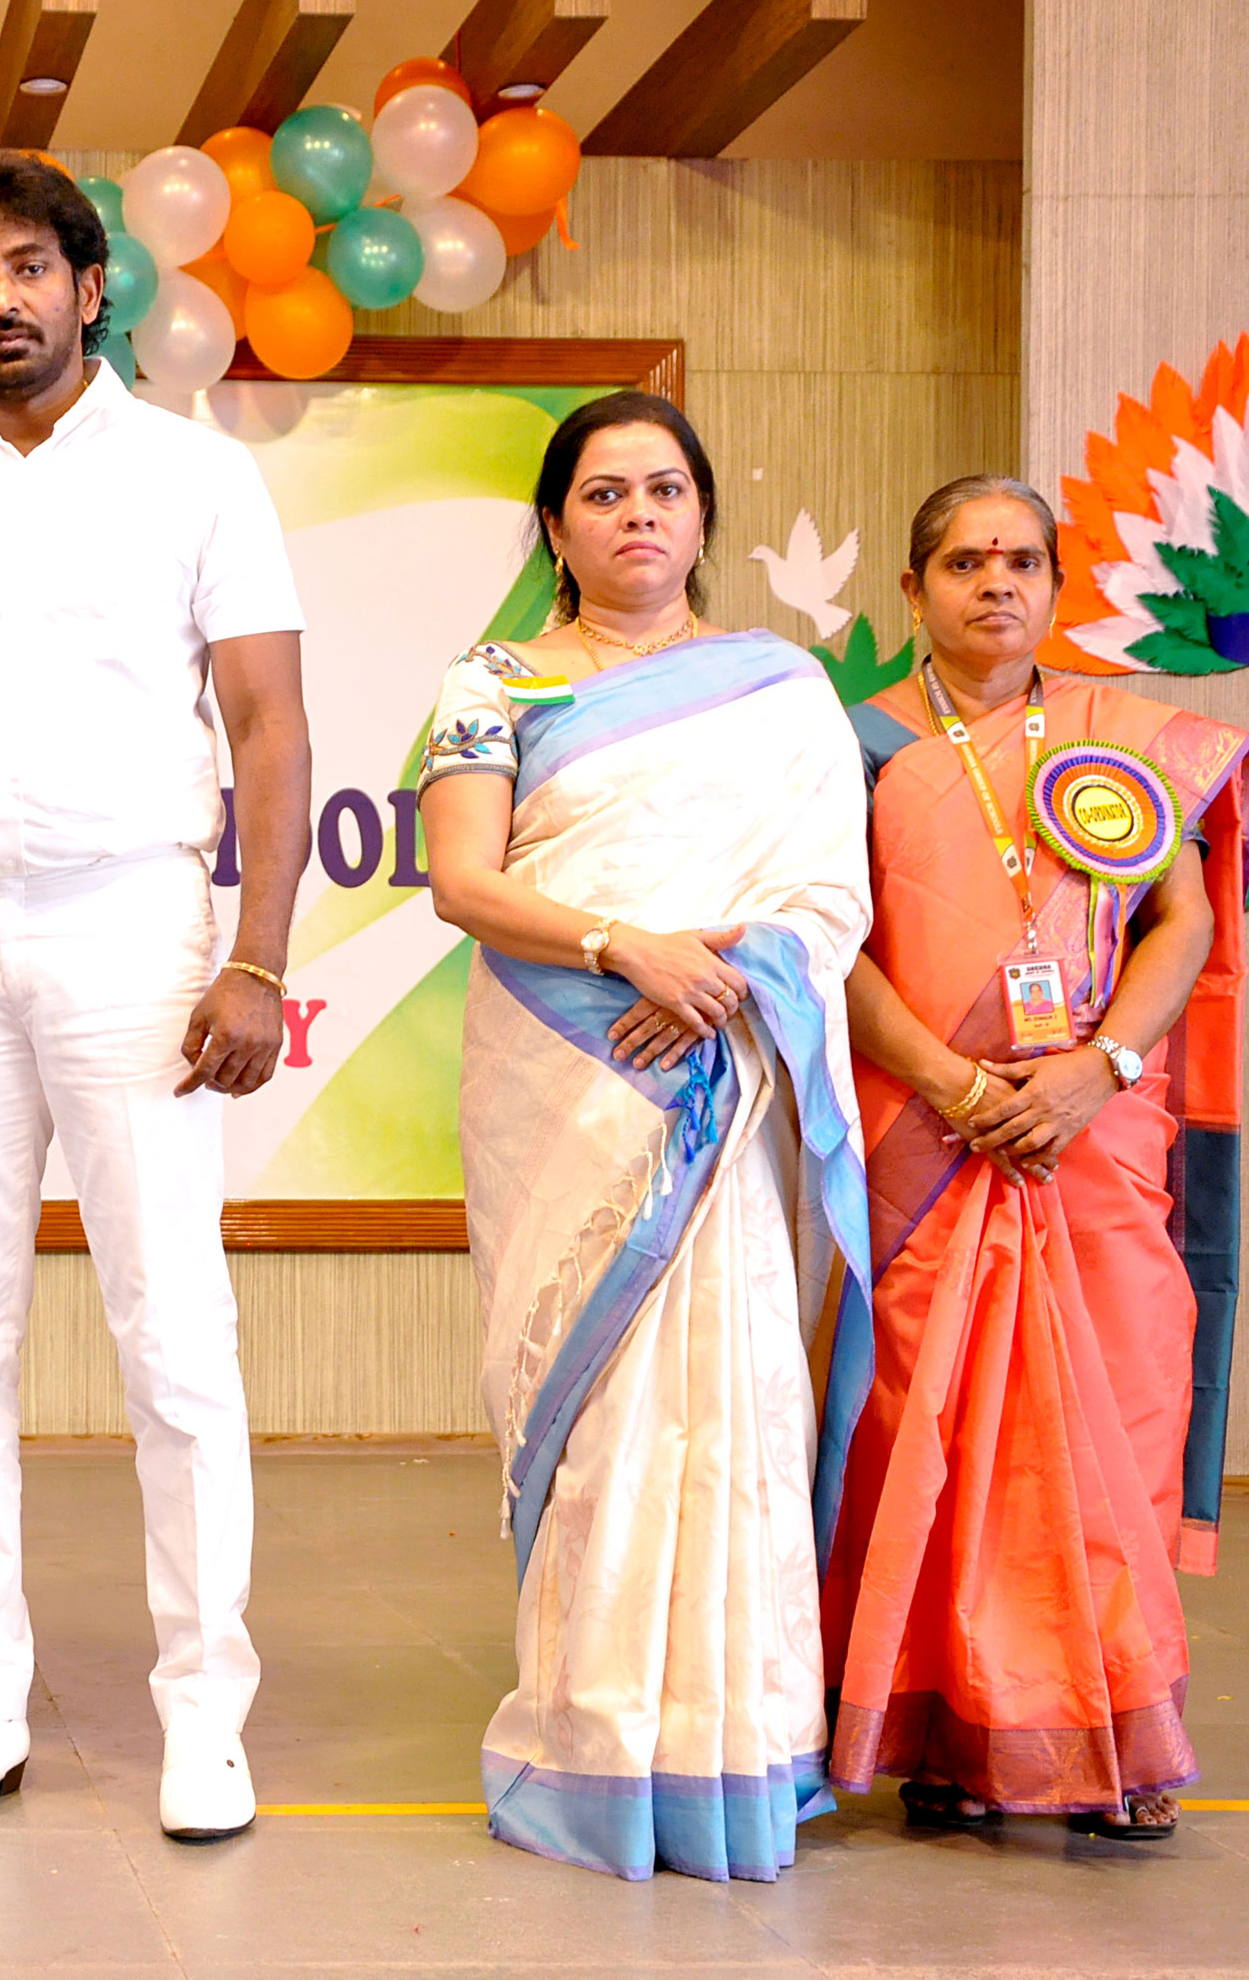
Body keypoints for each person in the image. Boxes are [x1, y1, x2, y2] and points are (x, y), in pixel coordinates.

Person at [0, 154, 313, 1842]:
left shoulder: (194, 476)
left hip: (133, 920)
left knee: (173, 1330)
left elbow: (269, 726)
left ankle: (204, 1713)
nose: (2, 298)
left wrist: (257, 953)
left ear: (91, 290)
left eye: (31, 268)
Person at [418, 390, 877, 1883]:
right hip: (570, 1069)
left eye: (665, 489)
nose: (638, 515)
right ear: (555, 528)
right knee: (603, 1403)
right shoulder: (492, 682)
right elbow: (463, 881)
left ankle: (736, 1739)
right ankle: (598, 1739)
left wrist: (721, 980)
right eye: (604, 492)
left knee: (730, 1401)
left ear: (701, 516)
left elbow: (828, 894)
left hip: (719, 1068)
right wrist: (629, 949)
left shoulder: (781, 690)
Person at [823, 477, 1249, 1842]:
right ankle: (957, 1730)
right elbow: (829, 940)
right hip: (925, 1141)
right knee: (936, 1435)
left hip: (1094, 1138)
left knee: (1112, 1426)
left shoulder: (1122, 738)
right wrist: (956, 1082)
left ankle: (1117, 1738)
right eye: (963, 562)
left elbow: (1183, 919)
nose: (995, 583)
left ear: (1055, 588)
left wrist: (1098, 1068)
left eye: (1020, 561)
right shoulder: (853, 746)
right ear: (914, 590)